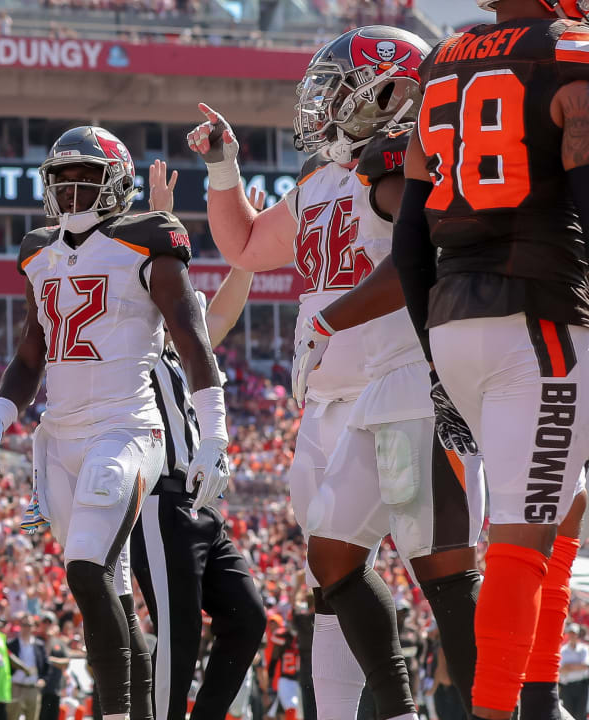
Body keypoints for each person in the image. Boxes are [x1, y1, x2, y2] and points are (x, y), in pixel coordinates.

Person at [186, 24, 482, 720]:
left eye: (340, 90)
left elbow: (418, 258)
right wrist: (225, 170)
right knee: (331, 576)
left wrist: (329, 320)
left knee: (443, 570)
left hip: (403, 384)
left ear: (385, 93)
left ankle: (502, 707)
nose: (322, 104)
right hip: (330, 403)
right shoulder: (324, 180)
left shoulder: (413, 165)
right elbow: (249, 247)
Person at [0, 123, 226, 720]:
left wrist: (215, 433)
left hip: (127, 428)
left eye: (85, 180)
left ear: (116, 185)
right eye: (61, 180)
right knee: (104, 593)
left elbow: (193, 343)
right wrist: (0, 409)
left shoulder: (148, 241)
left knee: (85, 567)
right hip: (59, 437)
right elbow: (31, 354)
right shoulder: (39, 252)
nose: (71, 193)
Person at [390, 1, 589, 718]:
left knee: (562, 504)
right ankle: (500, 709)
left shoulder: (443, 60)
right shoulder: (569, 52)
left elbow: (408, 239)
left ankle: (539, 698)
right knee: (523, 528)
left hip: (454, 317)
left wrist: (436, 361)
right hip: (536, 316)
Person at [129, 162, 267, 720]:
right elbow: (154, 271)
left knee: (247, 616)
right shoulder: (131, 340)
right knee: (179, 634)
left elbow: (224, 311)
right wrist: (161, 216)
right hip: (160, 500)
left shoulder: (187, 340)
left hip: (203, 503)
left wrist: (250, 254)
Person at [6, 617, 47, 720]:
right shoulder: (12, 644)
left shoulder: (39, 645)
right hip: (16, 687)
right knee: (12, 716)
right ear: (20, 626)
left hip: (33, 688)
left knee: (32, 717)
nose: (26, 628)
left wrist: (43, 679)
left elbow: (46, 665)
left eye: (29, 625)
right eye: (24, 625)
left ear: (33, 627)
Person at [560, 625, 589, 720]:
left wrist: (568, 666)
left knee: (581, 714)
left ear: (577, 635)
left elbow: (586, 666)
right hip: (567, 687)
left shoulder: (584, 649)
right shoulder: (563, 650)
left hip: (582, 686)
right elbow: (561, 669)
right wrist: (578, 666)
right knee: (568, 714)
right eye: (571, 633)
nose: (572, 636)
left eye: (574, 634)